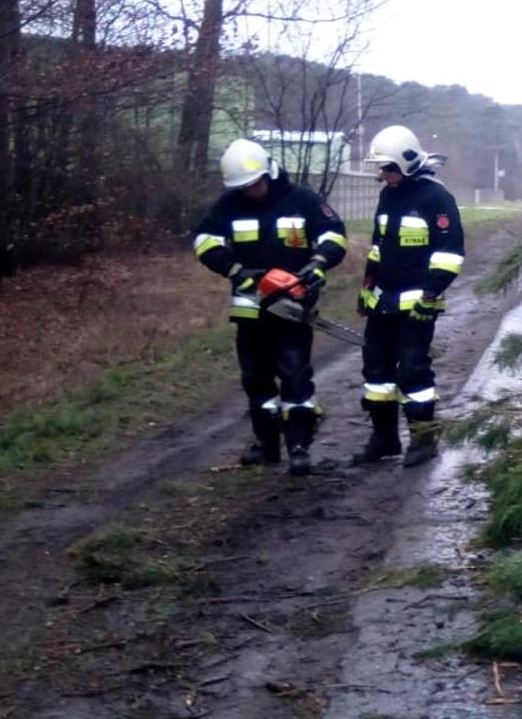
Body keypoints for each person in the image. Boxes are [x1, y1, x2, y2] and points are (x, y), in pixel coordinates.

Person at [191, 139, 347, 476]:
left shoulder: (302, 200)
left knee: (294, 375)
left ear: (269, 171)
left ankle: (299, 444)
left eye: (255, 184)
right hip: (250, 307)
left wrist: (318, 264)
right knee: (255, 378)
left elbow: (334, 234)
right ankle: (266, 442)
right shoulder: (229, 205)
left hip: (292, 304)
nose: (252, 191)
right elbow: (204, 241)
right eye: (244, 187)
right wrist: (234, 270)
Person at [352, 125, 464, 468]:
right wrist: (367, 286)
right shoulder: (388, 196)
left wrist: (430, 295)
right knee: (376, 372)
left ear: (406, 163)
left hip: (418, 304)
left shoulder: (436, 198)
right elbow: (378, 247)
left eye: (389, 168)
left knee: (413, 372)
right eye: (382, 169)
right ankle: (384, 439)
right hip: (382, 302)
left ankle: (423, 439)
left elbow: (450, 253)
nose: (384, 175)